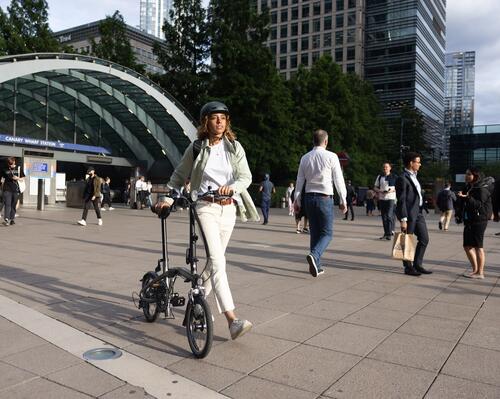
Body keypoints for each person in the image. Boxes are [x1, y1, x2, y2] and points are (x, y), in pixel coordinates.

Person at [156, 100, 259, 340]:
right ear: (206, 122)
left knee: (215, 263)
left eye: (223, 117)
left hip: (228, 209)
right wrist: (169, 200)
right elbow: (179, 176)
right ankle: (232, 320)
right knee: (217, 260)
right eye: (215, 117)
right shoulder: (196, 148)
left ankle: (197, 304)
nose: (220, 121)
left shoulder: (235, 147)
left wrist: (231, 188)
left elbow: (246, 177)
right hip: (204, 207)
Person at [294, 129, 347, 277]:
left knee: (315, 233)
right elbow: (338, 179)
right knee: (327, 233)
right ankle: (315, 255)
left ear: (313, 140)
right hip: (324, 198)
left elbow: (300, 180)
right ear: (326, 141)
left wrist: (297, 199)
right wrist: (343, 199)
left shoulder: (305, 157)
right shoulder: (331, 156)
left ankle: (316, 266)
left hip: (309, 198)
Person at [395, 152, 431, 276]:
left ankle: (417, 264)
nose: (420, 164)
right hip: (409, 214)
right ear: (411, 163)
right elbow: (401, 200)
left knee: (424, 238)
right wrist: (403, 219)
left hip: (418, 212)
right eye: (418, 162)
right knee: (407, 240)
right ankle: (408, 267)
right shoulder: (402, 178)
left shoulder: (415, 176)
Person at [457, 167, 494, 279]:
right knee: (467, 246)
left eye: (469, 174)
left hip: (479, 220)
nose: (466, 176)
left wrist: (467, 197)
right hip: (470, 220)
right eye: (466, 174)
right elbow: (463, 202)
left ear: (475, 176)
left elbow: (478, 205)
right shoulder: (468, 187)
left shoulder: (481, 189)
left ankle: (480, 272)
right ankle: (475, 270)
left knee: (478, 246)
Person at [374, 162, 397, 240]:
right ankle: (386, 233)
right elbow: (375, 187)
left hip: (391, 198)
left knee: (389, 216)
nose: (385, 168)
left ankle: (390, 233)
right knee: (384, 217)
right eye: (384, 167)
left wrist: (391, 190)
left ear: (390, 168)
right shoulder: (380, 177)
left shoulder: (394, 176)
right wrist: (380, 191)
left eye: (386, 167)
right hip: (382, 198)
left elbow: (398, 187)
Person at [1, 157, 24, 226]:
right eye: (9, 164)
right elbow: (2, 178)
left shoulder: (19, 169)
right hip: (7, 189)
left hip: (16, 189)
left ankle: (12, 219)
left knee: (13, 205)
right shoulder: (5, 168)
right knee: (7, 204)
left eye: (12, 164)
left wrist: (18, 178)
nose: (11, 165)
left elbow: (23, 178)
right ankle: (6, 219)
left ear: (14, 162)